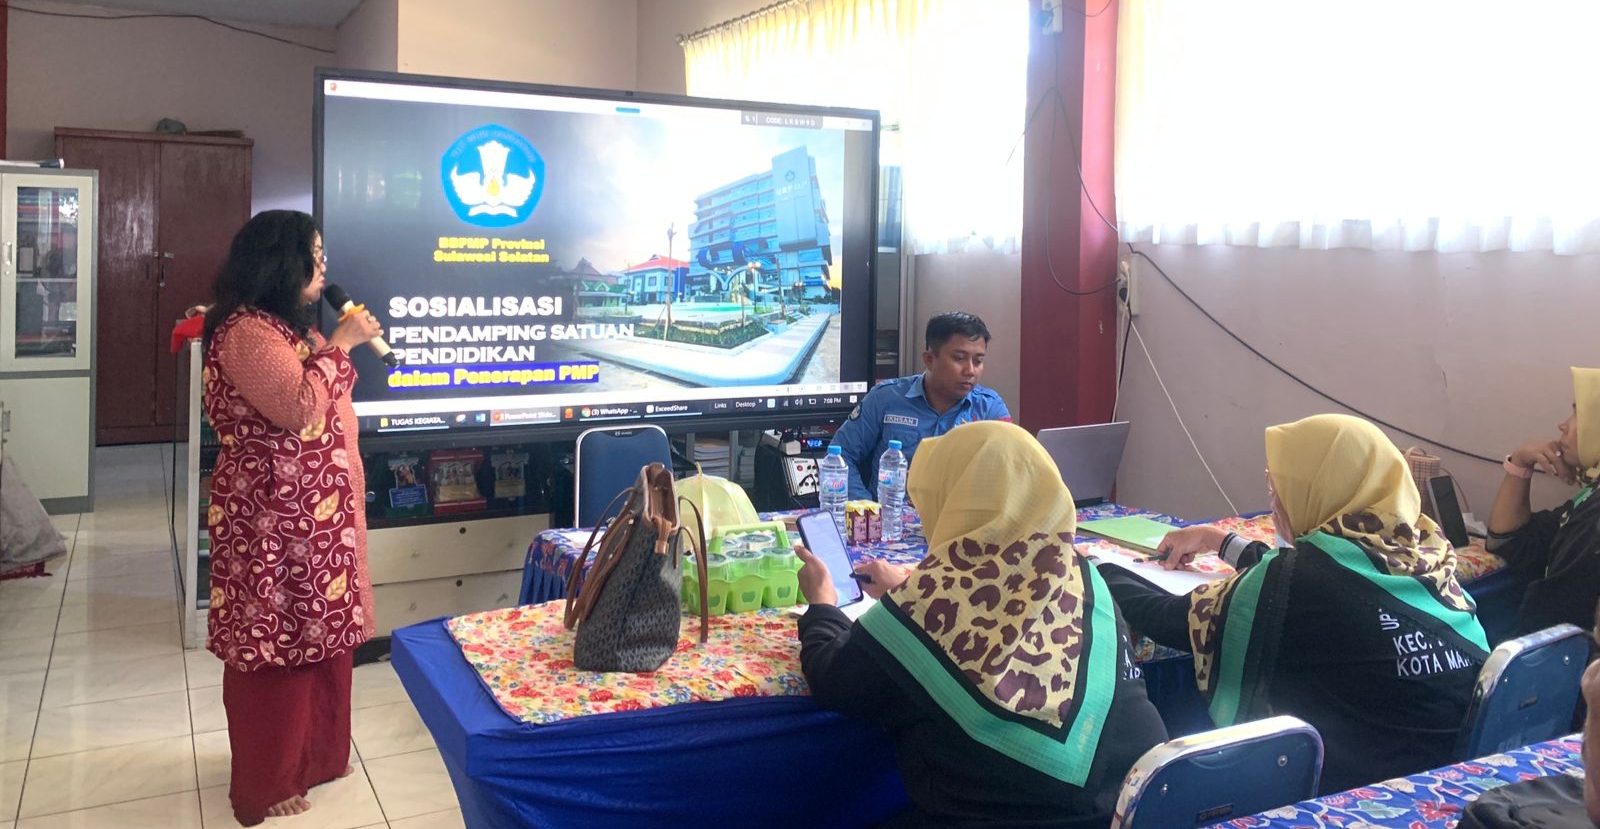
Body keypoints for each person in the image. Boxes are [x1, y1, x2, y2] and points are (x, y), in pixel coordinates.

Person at [794, 421, 1166, 828]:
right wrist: (910, 588)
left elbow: (835, 679)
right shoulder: (1084, 577)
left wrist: (822, 605)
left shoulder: (930, 604)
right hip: (1141, 811)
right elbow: (1006, 615)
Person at [1107, 413, 1488, 794]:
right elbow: (1323, 579)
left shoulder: (1303, 580)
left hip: (1368, 795)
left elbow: (1167, 619)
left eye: (1280, 485)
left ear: (1320, 489)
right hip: (1459, 780)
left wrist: (1098, 568)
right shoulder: (1423, 553)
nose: (1274, 500)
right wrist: (1218, 540)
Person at [201, 210, 384, 826]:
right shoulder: (246, 332)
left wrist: (331, 347)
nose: (324, 266)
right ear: (282, 261)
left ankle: (315, 758)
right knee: (274, 640)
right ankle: (268, 779)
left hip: (317, 517)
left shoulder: (288, 329)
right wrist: (344, 344)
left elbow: (325, 402)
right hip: (271, 519)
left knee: (322, 637)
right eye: (315, 253)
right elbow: (300, 407)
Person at [829, 311, 1011, 499]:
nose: (970, 371)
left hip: (959, 516)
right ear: (929, 359)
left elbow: (1010, 471)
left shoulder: (989, 409)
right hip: (892, 514)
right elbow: (841, 456)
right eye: (959, 358)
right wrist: (866, 508)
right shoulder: (885, 398)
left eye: (978, 361)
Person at [1486, 367, 1600, 638]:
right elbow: (1509, 540)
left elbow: (1557, 614)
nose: (1563, 425)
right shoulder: (1591, 497)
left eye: (1578, 413)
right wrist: (1520, 463)